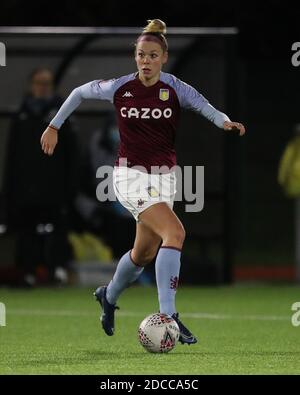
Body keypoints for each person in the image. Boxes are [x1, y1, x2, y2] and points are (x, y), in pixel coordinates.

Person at [40, 19, 245, 344]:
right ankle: (170, 316)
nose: (145, 61)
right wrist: (54, 126)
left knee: (143, 253)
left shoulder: (175, 88)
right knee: (174, 232)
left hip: (165, 180)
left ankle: (108, 295)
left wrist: (224, 122)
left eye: (152, 55)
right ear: (135, 57)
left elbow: (204, 105)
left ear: (163, 57)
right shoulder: (120, 87)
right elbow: (79, 92)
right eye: (140, 55)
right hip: (129, 177)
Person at [3, 68, 79, 286]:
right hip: (26, 188)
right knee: (27, 232)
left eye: (46, 83)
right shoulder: (21, 114)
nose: (42, 87)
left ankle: (56, 271)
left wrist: (70, 186)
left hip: (54, 186)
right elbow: (13, 154)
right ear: (31, 85)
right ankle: (27, 272)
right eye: (38, 82)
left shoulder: (62, 113)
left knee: (56, 231)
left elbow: (72, 153)